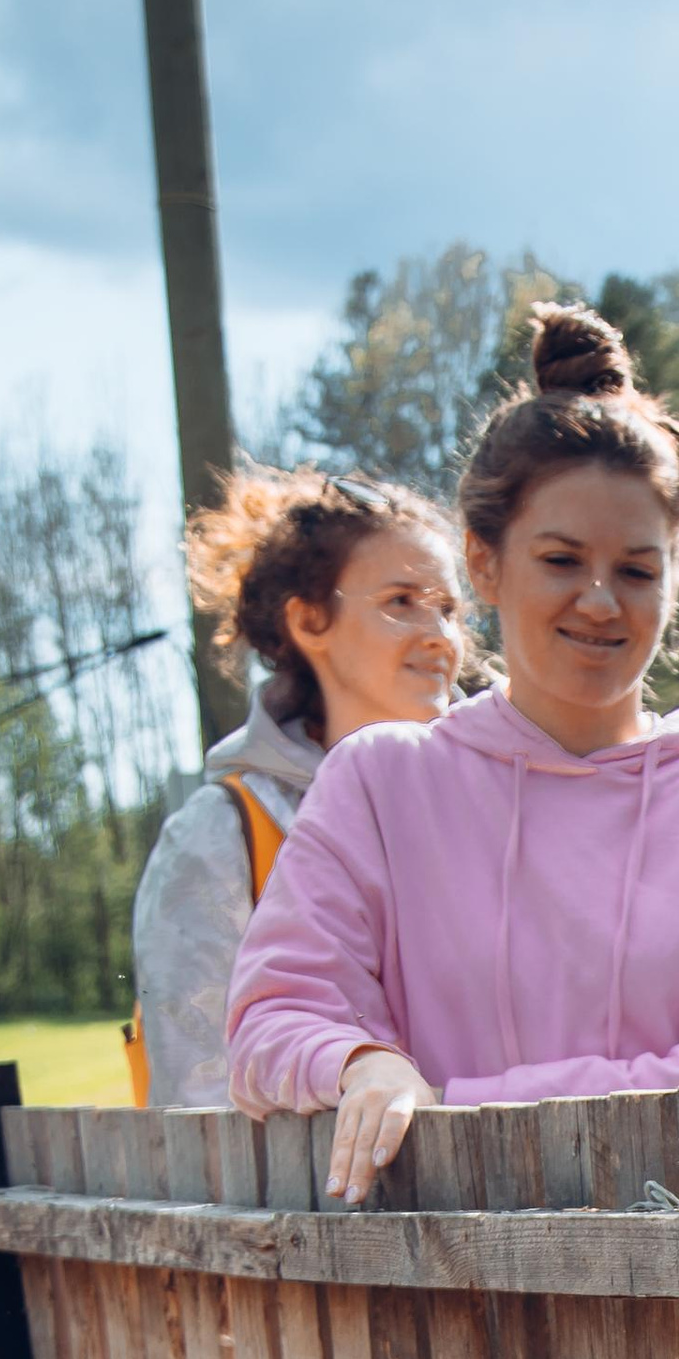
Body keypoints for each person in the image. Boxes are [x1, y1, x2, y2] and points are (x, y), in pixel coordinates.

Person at [228, 306, 679, 1197]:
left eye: (636, 570)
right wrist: (361, 1064)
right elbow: (273, 1019)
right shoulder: (383, 782)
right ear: (484, 563)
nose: (600, 602)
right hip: (439, 1299)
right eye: (559, 559)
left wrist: (454, 1101)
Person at [129, 469, 463, 1108]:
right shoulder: (223, 833)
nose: (439, 636)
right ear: (311, 621)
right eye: (400, 601)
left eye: (448, 609)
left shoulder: (502, 803)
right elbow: (199, 1091)